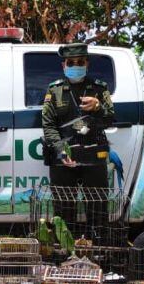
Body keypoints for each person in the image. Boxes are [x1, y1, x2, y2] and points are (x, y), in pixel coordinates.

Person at [40, 43, 115, 243]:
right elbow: (48, 126)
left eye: (80, 62)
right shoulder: (54, 90)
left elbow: (109, 120)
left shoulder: (99, 88)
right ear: (64, 66)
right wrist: (60, 151)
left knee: (98, 209)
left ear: (87, 64)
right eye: (71, 62)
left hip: (93, 157)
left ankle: (98, 252)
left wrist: (98, 107)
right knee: (64, 210)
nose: (76, 65)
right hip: (64, 159)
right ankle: (64, 254)